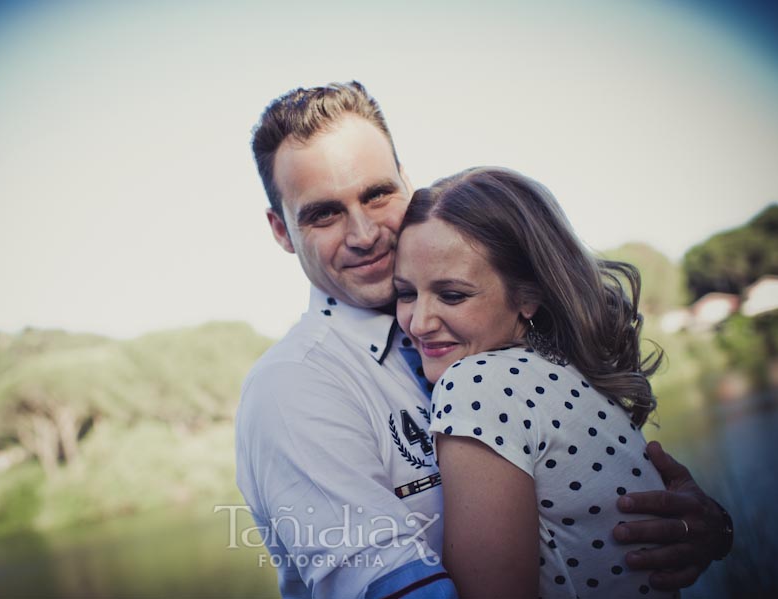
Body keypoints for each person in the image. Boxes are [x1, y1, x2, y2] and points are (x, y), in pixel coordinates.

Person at [235, 82, 732, 599]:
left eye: (377, 193)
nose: (364, 234)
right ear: (281, 231)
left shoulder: (513, 341)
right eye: (324, 213)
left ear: (407, 183)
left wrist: (708, 529)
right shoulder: (294, 389)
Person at [395, 166, 692, 597]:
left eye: (453, 295)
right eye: (406, 293)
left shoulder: (476, 384)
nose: (418, 322)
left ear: (528, 295)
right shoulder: (565, 371)